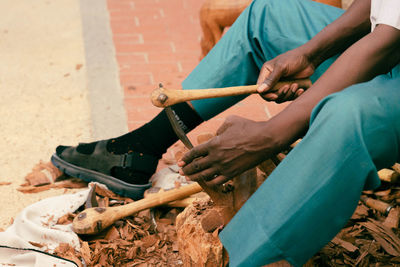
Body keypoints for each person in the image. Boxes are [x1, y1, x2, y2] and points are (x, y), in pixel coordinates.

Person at [51, 0, 400, 265]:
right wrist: (311, 55)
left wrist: (270, 135)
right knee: (267, 15)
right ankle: (139, 149)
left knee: (348, 114)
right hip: (389, 43)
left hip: (389, 49)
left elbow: (385, 45)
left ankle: (243, 253)